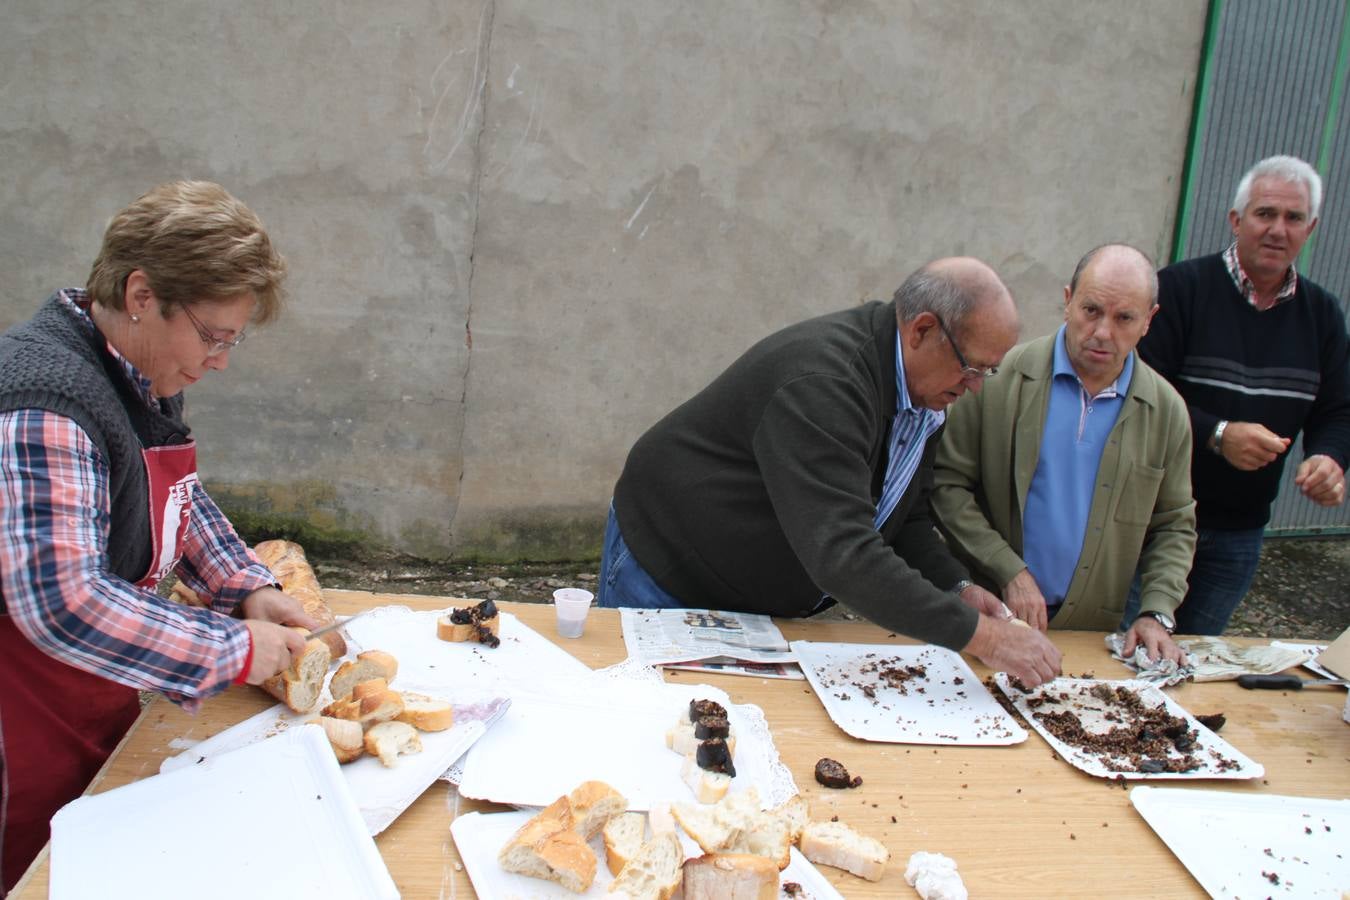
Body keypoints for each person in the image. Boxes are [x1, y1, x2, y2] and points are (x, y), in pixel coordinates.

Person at [0, 181, 320, 889]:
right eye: (213, 336)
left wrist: (246, 588)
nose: (220, 361)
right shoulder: (44, 399)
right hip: (18, 723)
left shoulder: (137, 372)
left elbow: (178, 498)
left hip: (96, 692)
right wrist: (233, 648)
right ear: (142, 294)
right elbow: (64, 601)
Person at [600, 257, 1063, 686]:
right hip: (667, 572)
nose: (976, 388)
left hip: (750, 599)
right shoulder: (825, 386)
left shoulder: (925, 397)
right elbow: (844, 555)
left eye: (989, 372)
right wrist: (984, 638)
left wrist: (957, 587)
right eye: (971, 368)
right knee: (643, 722)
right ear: (922, 330)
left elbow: (904, 518)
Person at [931, 245, 1196, 665]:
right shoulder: (998, 380)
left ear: (1149, 321)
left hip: (1089, 633)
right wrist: (1008, 570)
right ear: (1068, 299)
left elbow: (1174, 524)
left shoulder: (1165, 412)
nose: (1103, 332)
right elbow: (946, 484)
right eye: (1091, 310)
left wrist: (1156, 611)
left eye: (1124, 317)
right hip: (991, 619)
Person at [1130, 155, 1350, 635]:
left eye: (1293, 218)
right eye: (1265, 213)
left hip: (1239, 533)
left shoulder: (1324, 316)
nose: (1278, 229)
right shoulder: (1180, 290)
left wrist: (1331, 459)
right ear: (1236, 220)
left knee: (1195, 667)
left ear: (1310, 229)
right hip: (1149, 523)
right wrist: (1217, 434)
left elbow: (1338, 410)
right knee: (1119, 657)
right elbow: (1138, 393)